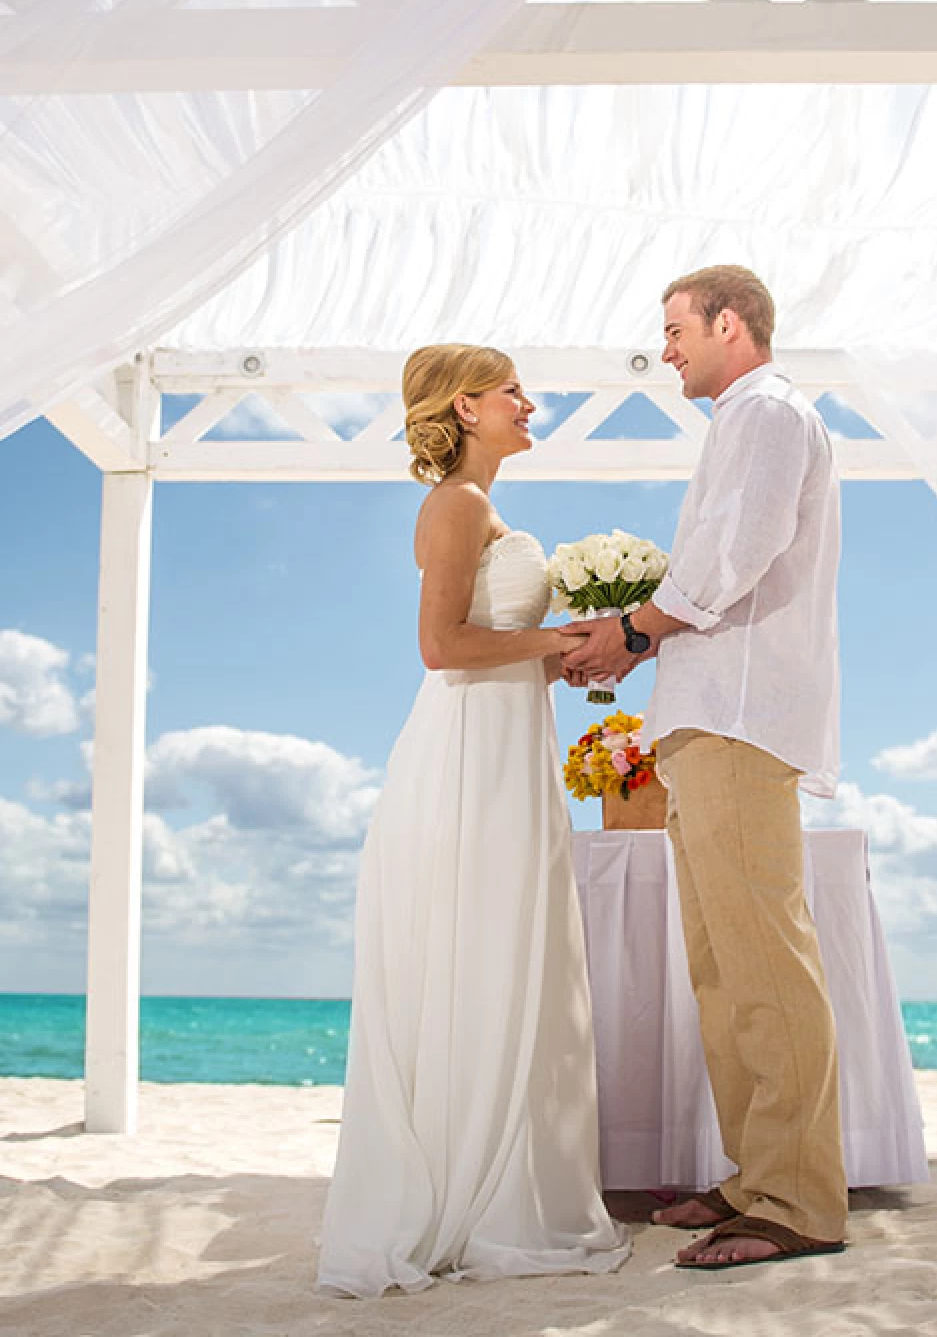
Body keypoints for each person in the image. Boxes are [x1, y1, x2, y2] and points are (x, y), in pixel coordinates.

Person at [316, 343, 630, 1298]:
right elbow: (441, 646)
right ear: (467, 406)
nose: (530, 404)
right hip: (463, 760)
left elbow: (496, 653)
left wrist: (564, 659)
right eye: (513, 393)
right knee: (480, 951)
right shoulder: (455, 506)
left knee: (512, 954)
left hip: (508, 744)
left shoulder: (488, 509)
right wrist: (567, 635)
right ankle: (471, 1194)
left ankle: (509, 1182)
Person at [563, 265, 848, 1269]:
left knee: (763, 959)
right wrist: (643, 641)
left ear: (730, 323)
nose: (667, 348)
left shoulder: (766, 412)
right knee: (725, 969)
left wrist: (631, 630)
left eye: (677, 328)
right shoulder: (742, 418)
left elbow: (742, 546)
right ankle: (756, 1174)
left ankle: (799, 1199)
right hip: (707, 714)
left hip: (737, 715)